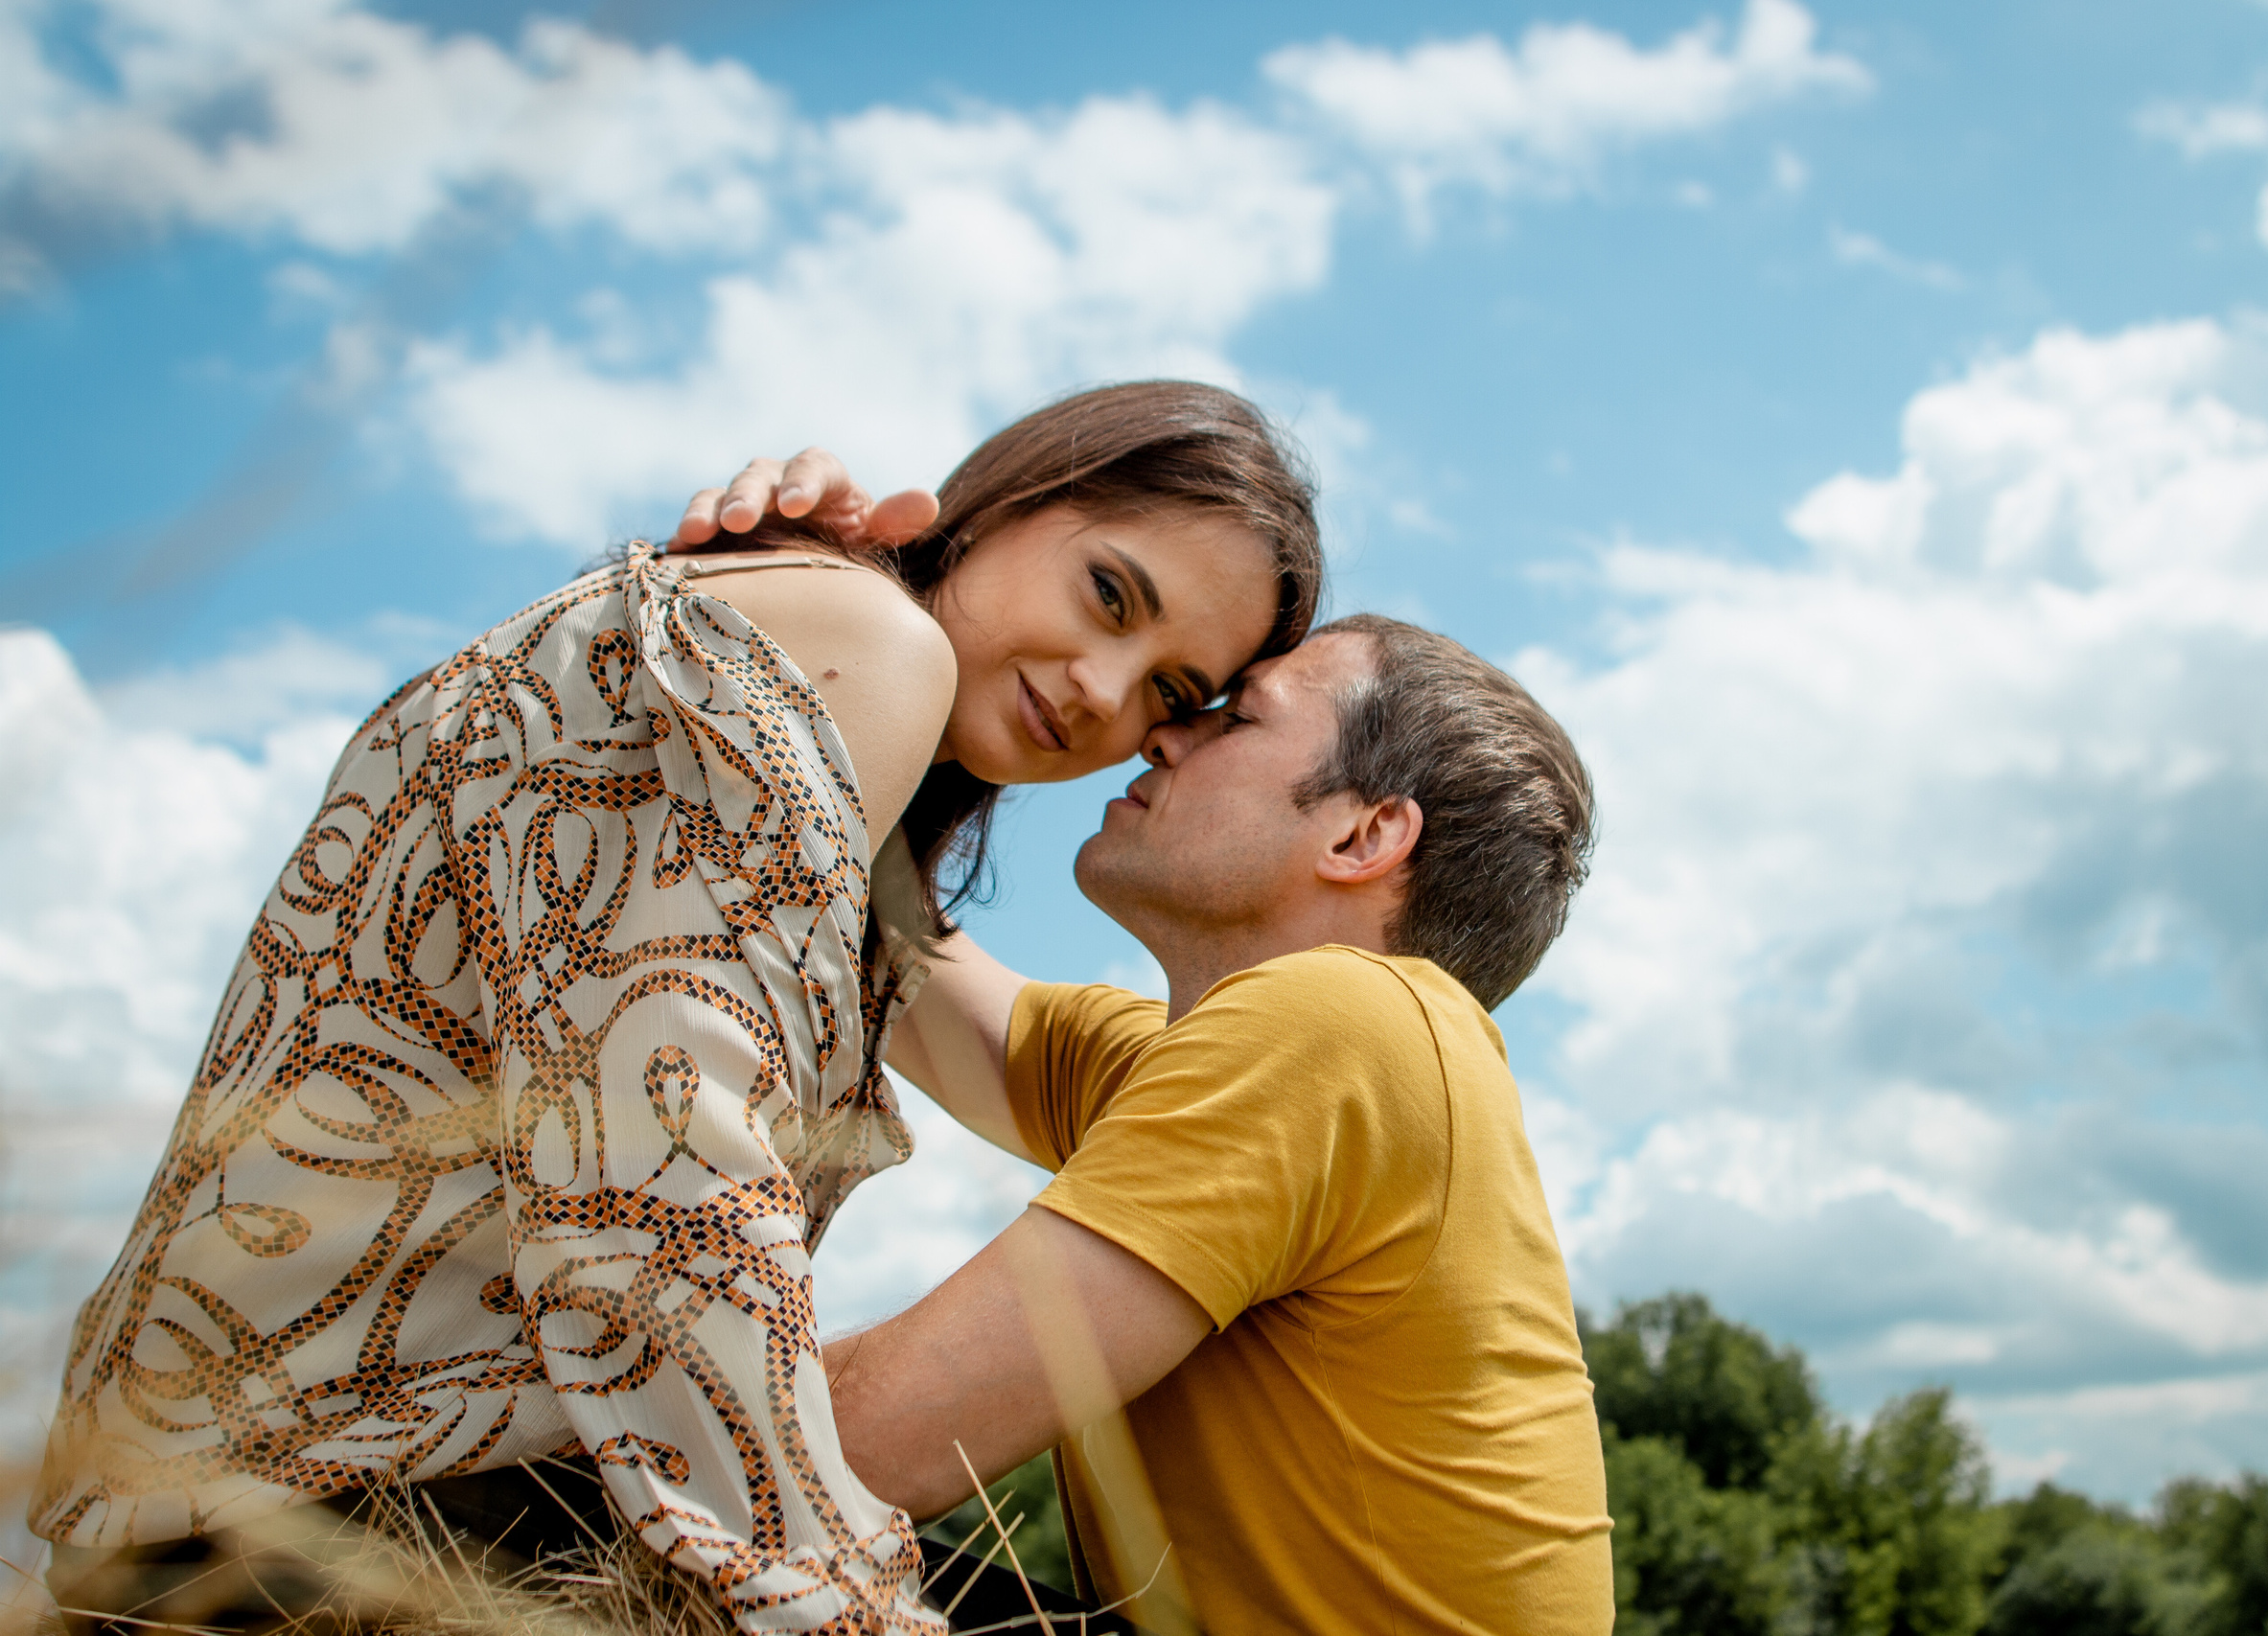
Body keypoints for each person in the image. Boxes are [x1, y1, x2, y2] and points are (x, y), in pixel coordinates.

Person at [32, 382, 1324, 1636]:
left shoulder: (808, 689)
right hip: (339, 1522)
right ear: (1004, 500)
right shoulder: (874, 645)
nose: (1106, 691)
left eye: (1168, 689)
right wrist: (846, 1598)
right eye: (1110, 593)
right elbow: (657, 1185)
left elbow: (1006, 1059)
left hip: (226, 1499)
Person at [677, 453, 1611, 1631]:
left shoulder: (1348, 1027)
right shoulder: (1189, 1064)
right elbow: (889, 945)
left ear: (1364, 834)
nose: (1157, 740)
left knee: (588, 1466)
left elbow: (850, 1448)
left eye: (1230, 717)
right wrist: (829, 612)